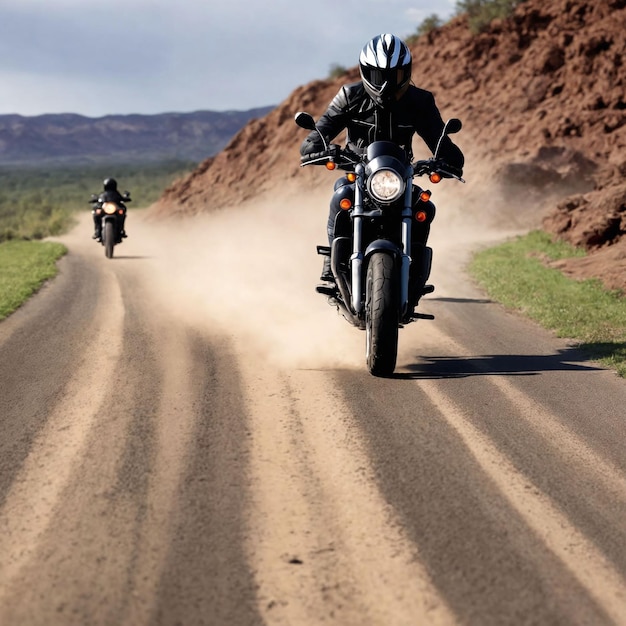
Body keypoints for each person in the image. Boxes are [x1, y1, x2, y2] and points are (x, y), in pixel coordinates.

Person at [299, 33, 464, 283]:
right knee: (341, 195)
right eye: (379, 76)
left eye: (394, 76)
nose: (386, 85)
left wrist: (447, 158)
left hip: (400, 174)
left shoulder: (420, 101)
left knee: (425, 207)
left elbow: (439, 139)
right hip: (359, 173)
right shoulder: (349, 95)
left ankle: (415, 272)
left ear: (406, 72)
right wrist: (322, 148)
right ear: (366, 72)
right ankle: (332, 260)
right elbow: (315, 138)